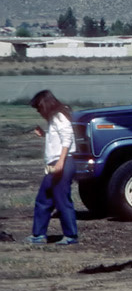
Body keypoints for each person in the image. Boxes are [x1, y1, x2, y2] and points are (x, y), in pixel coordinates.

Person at [29, 90, 79, 246]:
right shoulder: (53, 117)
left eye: (39, 108)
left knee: (62, 199)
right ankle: (38, 235)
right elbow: (57, 139)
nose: (39, 111)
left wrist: (61, 162)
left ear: (44, 104)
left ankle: (71, 236)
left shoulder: (59, 116)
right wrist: (44, 134)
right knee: (44, 198)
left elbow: (67, 138)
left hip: (62, 163)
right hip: (55, 163)